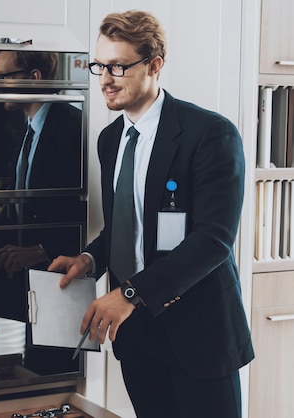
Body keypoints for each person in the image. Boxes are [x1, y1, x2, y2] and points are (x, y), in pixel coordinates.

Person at [48, 10, 254, 418]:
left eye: (118, 66)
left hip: (199, 336)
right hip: (138, 336)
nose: (104, 78)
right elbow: (126, 226)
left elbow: (213, 240)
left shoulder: (210, 133)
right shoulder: (110, 140)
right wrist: (89, 259)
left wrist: (129, 293)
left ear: (154, 66)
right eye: (99, 66)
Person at [0, 50, 84, 375]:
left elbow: (88, 213)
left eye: (5, 76)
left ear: (34, 77)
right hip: (31, 285)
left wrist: (41, 250)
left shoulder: (73, 126)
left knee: (56, 378)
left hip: (62, 284)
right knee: (35, 371)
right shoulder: (27, 129)